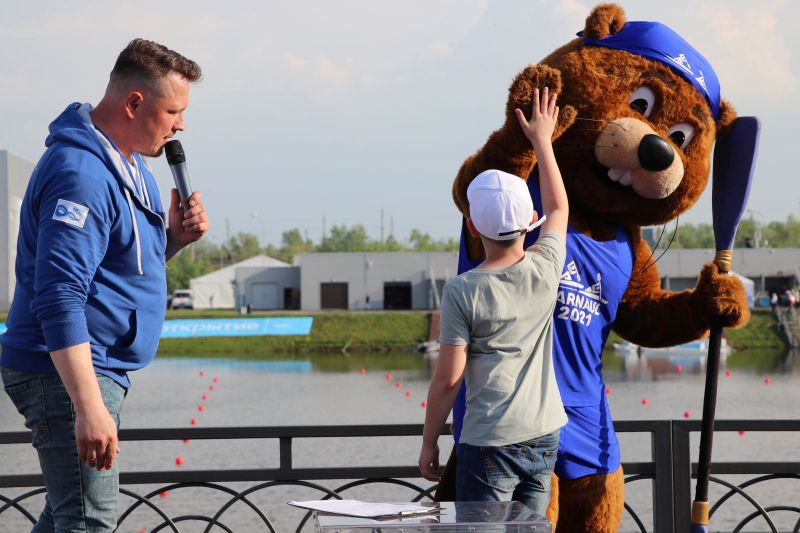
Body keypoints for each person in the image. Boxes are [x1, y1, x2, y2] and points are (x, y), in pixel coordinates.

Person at [0, 39, 208, 531]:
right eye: (173, 111)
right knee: (88, 520)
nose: (181, 125)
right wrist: (89, 406)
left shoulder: (130, 165)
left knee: (68, 514)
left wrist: (173, 240)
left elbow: (119, 269)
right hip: (65, 371)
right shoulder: (83, 175)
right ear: (134, 103)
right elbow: (60, 293)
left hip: (88, 369)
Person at [419, 87, 568, 515]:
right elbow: (559, 208)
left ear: (472, 226)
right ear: (531, 220)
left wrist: (429, 442)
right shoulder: (546, 266)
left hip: (489, 441)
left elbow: (448, 378)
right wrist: (543, 141)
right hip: (544, 434)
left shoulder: (462, 290)